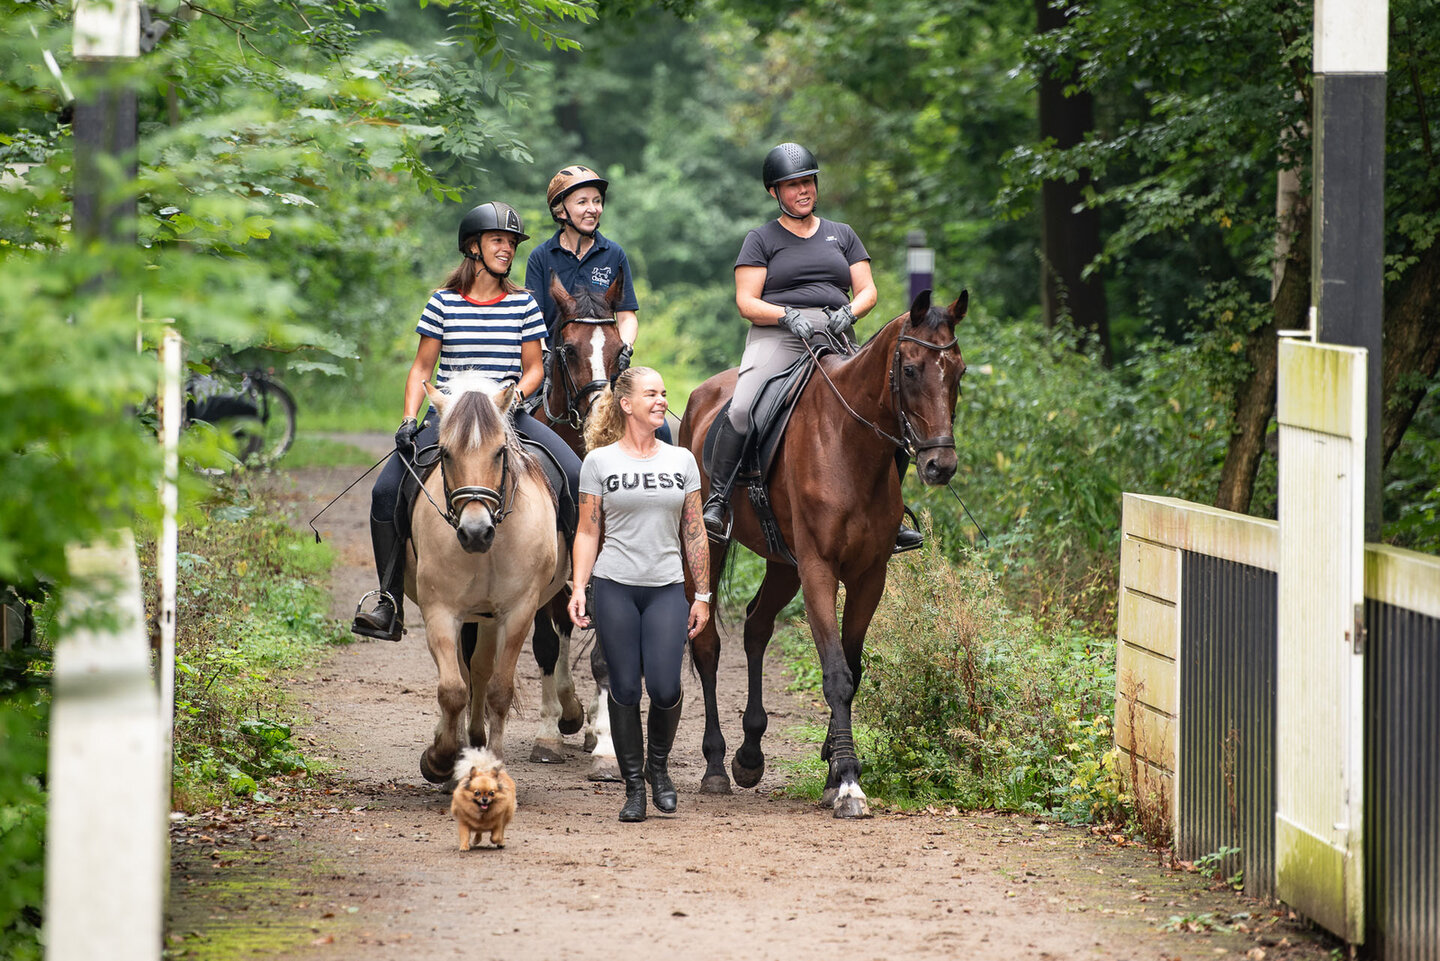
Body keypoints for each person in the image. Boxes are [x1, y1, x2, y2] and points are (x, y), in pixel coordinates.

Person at [352, 202, 583, 642]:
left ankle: (574, 582)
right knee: (385, 491)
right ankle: (388, 598)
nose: (507, 249)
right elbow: (422, 368)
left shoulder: (523, 303)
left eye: (512, 243)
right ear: (473, 247)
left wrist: (512, 397)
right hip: (451, 417)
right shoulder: (442, 302)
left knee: (573, 474)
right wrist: (408, 419)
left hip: (505, 414)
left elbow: (535, 366)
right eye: (498, 240)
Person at [702, 142, 923, 554]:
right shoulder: (760, 239)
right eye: (791, 186)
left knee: (891, 408)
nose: (802, 191)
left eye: (807, 183)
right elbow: (746, 301)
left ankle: (891, 514)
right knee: (742, 407)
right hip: (779, 334)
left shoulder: (842, 234)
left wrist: (850, 313)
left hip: (837, 334)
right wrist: (785, 314)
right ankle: (718, 501)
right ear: (774, 192)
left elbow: (868, 289)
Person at [566, 366, 710, 822]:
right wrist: (580, 586)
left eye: (665, 393)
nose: (662, 400)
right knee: (624, 689)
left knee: (667, 688)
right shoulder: (599, 462)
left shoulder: (682, 460)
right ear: (626, 404)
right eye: (651, 394)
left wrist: (702, 594)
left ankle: (659, 771)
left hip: (667, 587)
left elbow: (695, 531)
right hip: (615, 587)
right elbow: (587, 531)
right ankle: (634, 789)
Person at [524, 163, 672, 442]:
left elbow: (626, 315)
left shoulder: (613, 253)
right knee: (517, 420)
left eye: (597, 201)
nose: (593, 208)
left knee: (659, 426)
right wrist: (543, 355)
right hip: (557, 364)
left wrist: (625, 348)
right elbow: (533, 318)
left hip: (605, 362)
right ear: (560, 210)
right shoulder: (541, 257)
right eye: (582, 202)